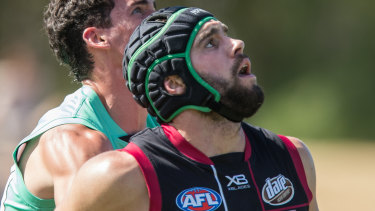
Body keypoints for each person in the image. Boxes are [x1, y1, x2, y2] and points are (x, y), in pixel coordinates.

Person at [56, 6, 319, 211]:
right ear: (174, 83)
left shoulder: (293, 157)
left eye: (226, 35)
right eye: (211, 43)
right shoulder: (120, 176)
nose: (237, 43)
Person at [0, 0, 158, 210]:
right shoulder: (76, 141)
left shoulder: (163, 117)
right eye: (138, 10)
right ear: (97, 38)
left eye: (154, 7)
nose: (158, 18)